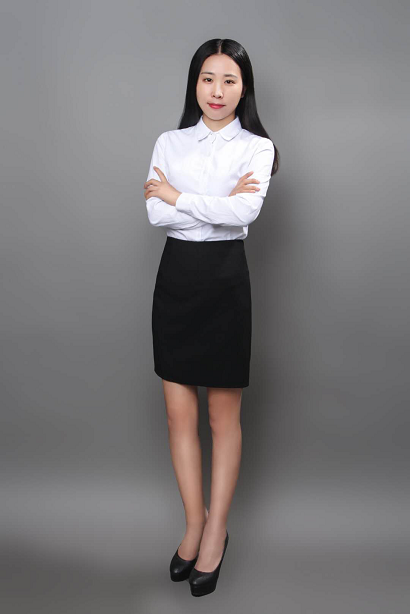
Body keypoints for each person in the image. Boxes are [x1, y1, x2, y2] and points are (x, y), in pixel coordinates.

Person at [143, 38, 279, 597]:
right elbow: (154, 213)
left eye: (228, 80)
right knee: (179, 418)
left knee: (223, 420)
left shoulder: (258, 148)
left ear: (244, 88)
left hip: (225, 279)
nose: (216, 91)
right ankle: (193, 524)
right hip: (176, 278)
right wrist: (210, 204)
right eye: (207, 78)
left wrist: (179, 196)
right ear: (194, 84)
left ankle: (217, 531)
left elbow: (245, 212)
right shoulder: (169, 141)